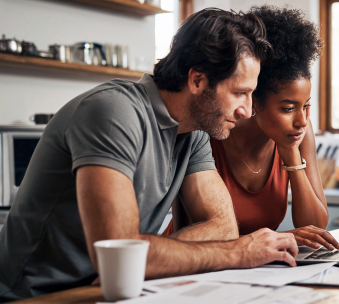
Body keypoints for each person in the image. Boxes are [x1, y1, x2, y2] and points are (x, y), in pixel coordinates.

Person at [0, 8, 300, 302]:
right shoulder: (114, 112)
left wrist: (146, 256)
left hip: (113, 290)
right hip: (35, 296)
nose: (246, 110)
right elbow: (120, 252)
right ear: (197, 80)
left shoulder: (194, 132)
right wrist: (238, 252)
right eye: (239, 93)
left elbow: (223, 228)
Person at [164, 5, 339, 251]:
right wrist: (279, 238)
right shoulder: (211, 129)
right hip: (194, 260)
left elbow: (316, 227)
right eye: (288, 108)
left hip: (254, 266)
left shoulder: (297, 133)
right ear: (254, 100)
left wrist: (290, 154)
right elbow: (196, 231)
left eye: (306, 106)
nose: (302, 120)